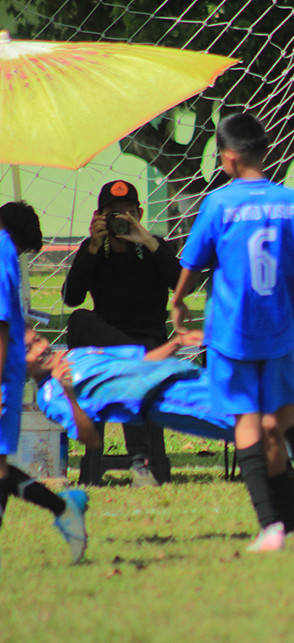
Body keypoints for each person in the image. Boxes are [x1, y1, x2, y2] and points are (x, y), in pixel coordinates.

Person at [172, 112, 294, 552]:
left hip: (233, 334)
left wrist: (178, 301)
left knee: (246, 423)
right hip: (279, 332)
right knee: (289, 417)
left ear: (228, 158)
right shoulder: (290, 201)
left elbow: (192, 264)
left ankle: (270, 526)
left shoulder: (217, 204)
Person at [24, 328, 294, 544]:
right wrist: (70, 394)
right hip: (169, 399)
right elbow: (90, 439)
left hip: (186, 375)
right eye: (28, 348)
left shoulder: (78, 355)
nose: (41, 347)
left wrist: (175, 343)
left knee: (267, 426)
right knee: (262, 428)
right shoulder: (51, 395)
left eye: (38, 338)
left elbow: (140, 360)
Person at [62, 179, 182, 486]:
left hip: (147, 341)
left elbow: (183, 284)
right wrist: (90, 248)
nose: (121, 220)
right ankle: (138, 459)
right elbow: (71, 297)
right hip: (108, 342)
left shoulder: (154, 248)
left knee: (133, 364)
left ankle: (140, 459)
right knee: (79, 319)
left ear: (140, 214)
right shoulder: (93, 251)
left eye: (128, 213)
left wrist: (149, 242)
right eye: (113, 214)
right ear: (99, 217)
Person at [0, 202, 88, 566]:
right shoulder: (6, 250)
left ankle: (63, 509)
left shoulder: (2, 251)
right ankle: (63, 509)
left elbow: (2, 325)